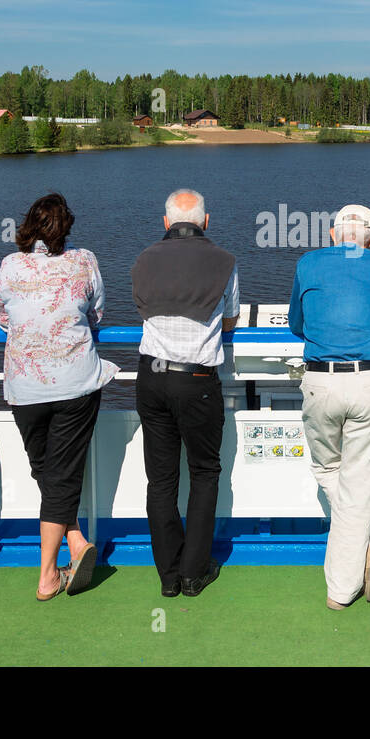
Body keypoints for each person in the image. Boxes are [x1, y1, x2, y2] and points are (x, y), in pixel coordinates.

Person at [0, 193, 119, 601]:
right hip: (74, 381)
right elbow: (97, 312)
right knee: (58, 474)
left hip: (26, 386)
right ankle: (57, 564)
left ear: (28, 225)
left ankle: (68, 551)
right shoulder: (84, 260)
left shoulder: (10, 265)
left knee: (46, 469)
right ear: (66, 228)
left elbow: (1, 317)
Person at [288, 204, 370, 610]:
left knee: (327, 469)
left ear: (331, 233)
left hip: (320, 381)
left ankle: (358, 562)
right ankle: (349, 576)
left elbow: (296, 325)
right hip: (369, 380)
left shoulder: (308, 263)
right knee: (360, 483)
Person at [131, 189, 238, 598]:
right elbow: (229, 322)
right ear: (206, 222)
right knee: (204, 472)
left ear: (166, 223)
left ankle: (168, 576)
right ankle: (194, 573)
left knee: (160, 480)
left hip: (152, 376)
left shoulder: (143, 260)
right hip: (196, 380)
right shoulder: (224, 261)